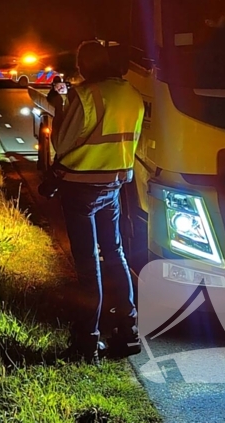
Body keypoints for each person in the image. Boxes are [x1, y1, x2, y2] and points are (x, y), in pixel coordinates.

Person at [50, 41, 144, 362]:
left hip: (80, 188)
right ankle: (126, 328)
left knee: (88, 265)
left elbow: (62, 143)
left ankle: (86, 342)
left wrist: (59, 106)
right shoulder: (131, 93)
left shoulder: (85, 95)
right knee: (115, 253)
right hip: (114, 186)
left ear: (84, 66)